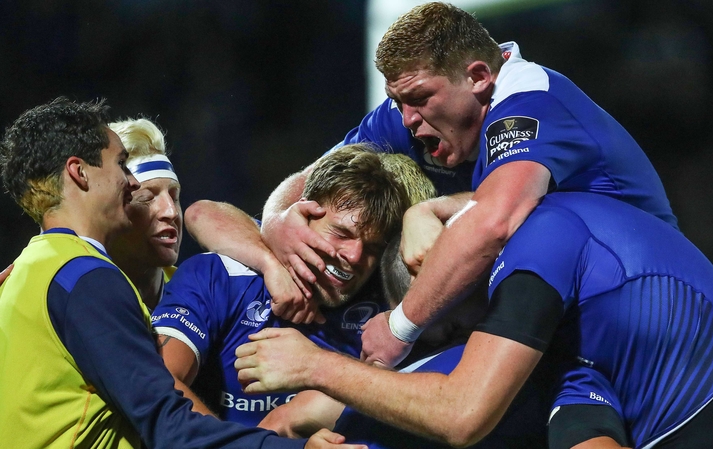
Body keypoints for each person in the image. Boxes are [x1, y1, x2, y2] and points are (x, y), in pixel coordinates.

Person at [187, 1, 678, 367]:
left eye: (420, 99)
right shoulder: (406, 118)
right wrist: (277, 225)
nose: (409, 120)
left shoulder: (530, 102)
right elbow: (308, 184)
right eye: (400, 102)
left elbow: (496, 221)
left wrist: (400, 325)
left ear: (479, 76)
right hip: (565, 320)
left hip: (644, 305)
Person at [235, 191, 713, 449]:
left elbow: (460, 415)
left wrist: (313, 365)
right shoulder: (565, 351)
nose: (456, 348)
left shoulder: (542, 305)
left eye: (444, 331)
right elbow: (289, 421)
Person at [0, 97, 362, 449]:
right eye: (122, 166)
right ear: (79, 172)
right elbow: (168, 423)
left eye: (174, 195)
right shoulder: (87, 278)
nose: (130, 183)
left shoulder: (30, 272)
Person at [153, 145, 429, 425]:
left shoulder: (388, 312)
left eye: (372, 247)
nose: (355, 256)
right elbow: (158, 385)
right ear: (303, 216)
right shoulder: (219, 275)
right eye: (340, 233)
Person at [260, 235, 551, 448]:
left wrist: (316, 365)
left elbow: (459, 415)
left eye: (451, 324)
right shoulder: (379, 379)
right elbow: (279, 424)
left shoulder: (539, 345)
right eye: (413, 328)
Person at [107, 118, 182, 309]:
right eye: (147, 197)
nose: (171, 212)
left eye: (174, 197)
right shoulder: (73, 293)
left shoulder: (199, 295)